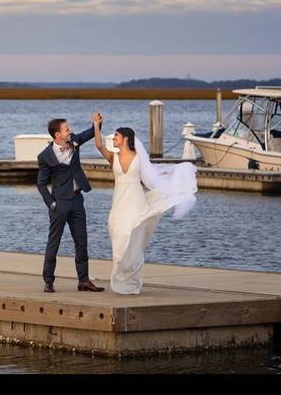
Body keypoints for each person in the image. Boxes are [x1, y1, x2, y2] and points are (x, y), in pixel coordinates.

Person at [93, 121, 199, 294]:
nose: (113, 139)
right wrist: (96, 125)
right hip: (119, 203)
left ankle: (133, 279)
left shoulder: (138, 157)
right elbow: (98, 144)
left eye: (117, 136)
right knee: (118, 236)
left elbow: (152, 174)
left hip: (135, 202)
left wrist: (172, 173)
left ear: (125, 139)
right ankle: (120, 275)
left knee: (133, 236)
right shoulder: (114, 157)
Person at [36, 113, 105, 293]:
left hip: (77, 200)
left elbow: (90, 133)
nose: (70, 131)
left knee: (81, 242)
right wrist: (52, 204)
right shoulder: (44, 156)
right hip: (59, 204)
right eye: (66, 129)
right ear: (57, 135)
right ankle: (48, 281)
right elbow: (41, 185)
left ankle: (84, 281)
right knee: (54, 242)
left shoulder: (74, 141)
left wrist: (97, 123)